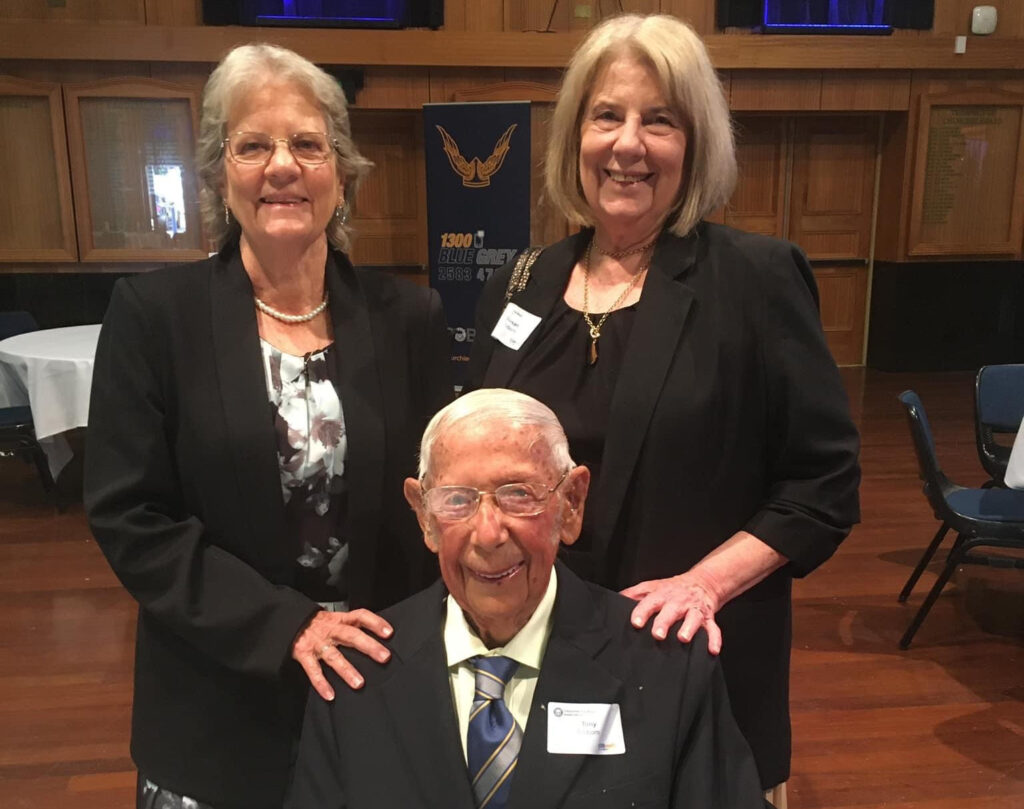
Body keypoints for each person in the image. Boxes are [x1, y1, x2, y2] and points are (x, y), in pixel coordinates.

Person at [466, 13, 860, 793]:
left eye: (660, 121)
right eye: (607, 115)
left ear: (696, 145)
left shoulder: (756, 279)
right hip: (544, 664)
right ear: (574, 134)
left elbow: (824, 484)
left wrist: (703, 584)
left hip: (696, 659)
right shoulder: (523, 281)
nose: (627, 144)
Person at [84, 43, 451, 809]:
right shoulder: (154, 317)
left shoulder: (409, 317)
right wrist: (287, 625)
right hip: (216, 698)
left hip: (370, 688)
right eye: (253, 145)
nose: (282, 165)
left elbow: (431, 502)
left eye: (308, 144)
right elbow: (133, 517)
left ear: (342, 173)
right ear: (221, 172)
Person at [287, 389, 771, 809]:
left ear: (572, 503)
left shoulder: (669, 667)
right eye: (457, 499)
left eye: (518, 494)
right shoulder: (354, 677)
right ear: (424, 516)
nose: (488, 533)